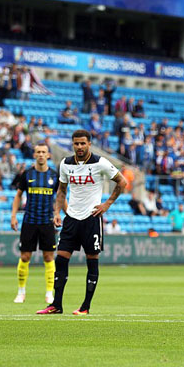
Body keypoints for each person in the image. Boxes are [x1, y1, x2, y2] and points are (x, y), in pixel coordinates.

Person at [37, 130, 127, 315]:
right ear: (72, 144)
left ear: (89, 144)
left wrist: (107, 204)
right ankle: (56, 304)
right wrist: (57, 212)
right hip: (71, 218)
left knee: (92, 260)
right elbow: (61, 190)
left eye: (82, 143)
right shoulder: (65, 164)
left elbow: (122, 182)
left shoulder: (100, 163)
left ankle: (85, 306)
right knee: (60, 259)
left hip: (92, 219)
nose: (79, 147)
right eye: (76, 143)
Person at [11, 143, 60, 304]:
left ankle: (49, 293)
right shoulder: (27, 174)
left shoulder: (54, 175)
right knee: (25, 256)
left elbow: (60, 197)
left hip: (47, 222)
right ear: (34, 155)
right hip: (29, 221)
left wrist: (60, 214)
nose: (40, 154)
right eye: (38, 152)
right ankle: (21, 292)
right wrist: (13, 216)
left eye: (43, 152)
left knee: (48, 257)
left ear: (48, 155)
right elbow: (18, 195)